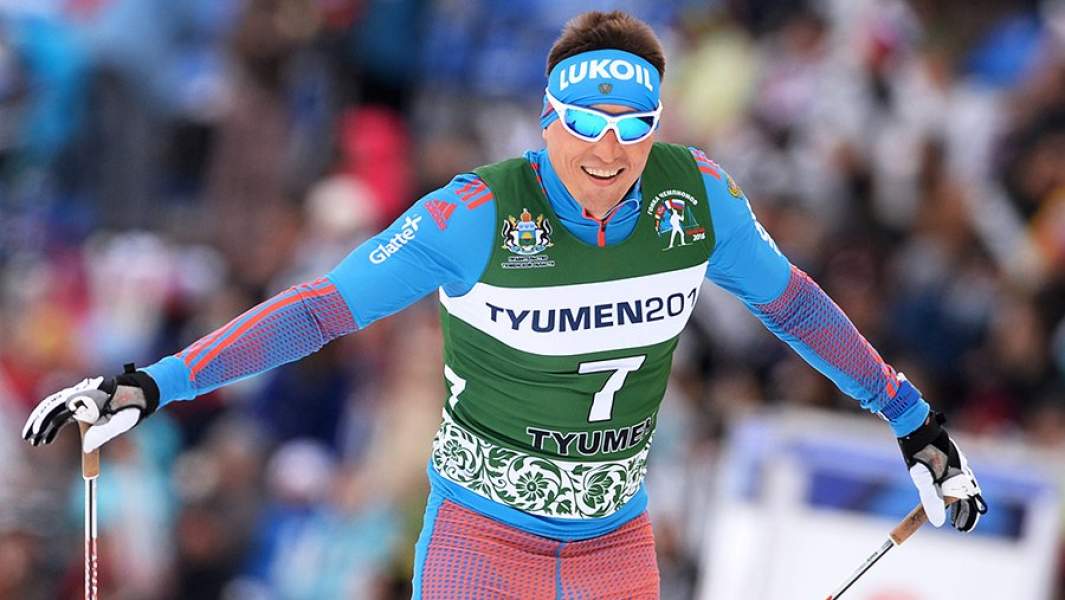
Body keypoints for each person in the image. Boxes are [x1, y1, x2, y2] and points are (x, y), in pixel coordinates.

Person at [21, 11, 987, 598]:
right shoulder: (474, 213)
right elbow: (318, 309)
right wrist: (151, 384)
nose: (607, 151)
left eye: (634, 128)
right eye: (585, 124)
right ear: (547, 119)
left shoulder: (697, 199)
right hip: (482, 540)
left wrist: (911, 419)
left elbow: (796, 308)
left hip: (614, 543)